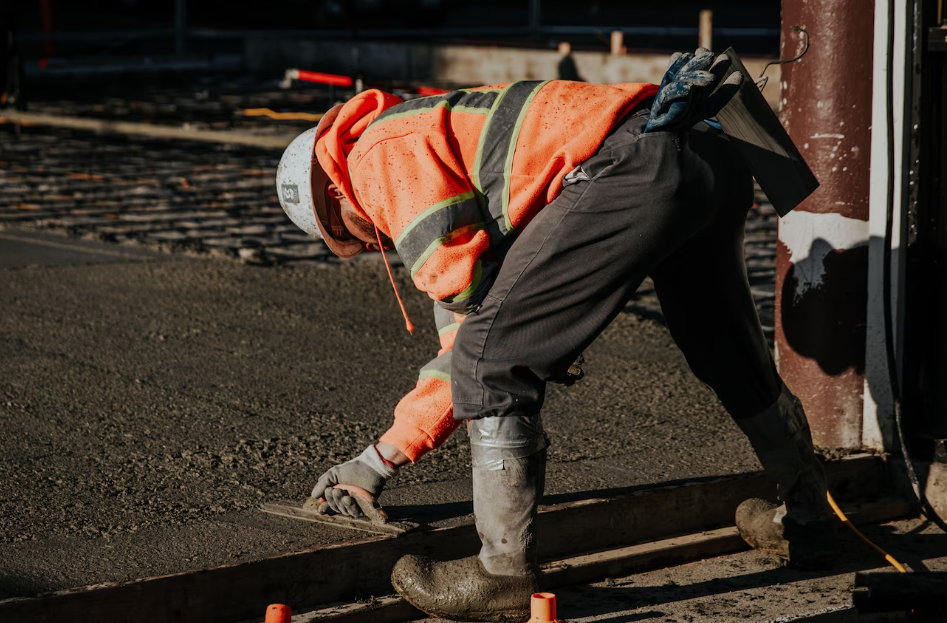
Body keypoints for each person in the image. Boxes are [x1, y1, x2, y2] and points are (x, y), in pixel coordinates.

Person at [275, 49, 838, 622]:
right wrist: (380, 461)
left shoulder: (379, 160)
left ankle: (501, 574)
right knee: (727, 350)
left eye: (350, 236)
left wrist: (376, 462)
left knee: (493, 362)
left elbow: (475, 343)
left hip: (634, 163)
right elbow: (476, 318)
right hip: (705, 153)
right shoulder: (432, 131)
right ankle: (809, 517)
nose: (372, 245)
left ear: (335, 195)